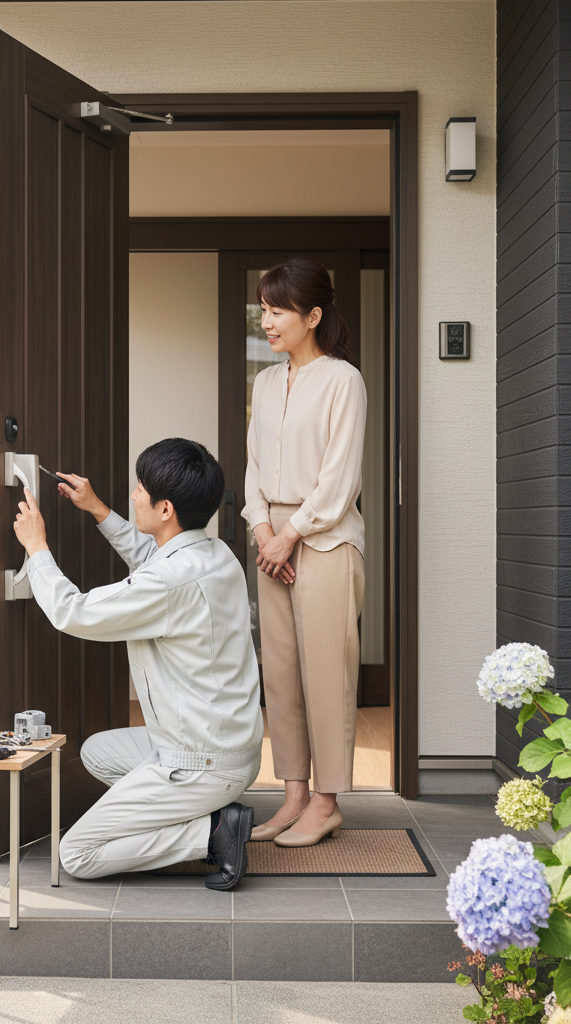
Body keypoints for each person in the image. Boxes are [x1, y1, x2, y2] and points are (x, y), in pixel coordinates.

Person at [12, 438, 263, 891]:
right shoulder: (216, 553)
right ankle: (203, 811)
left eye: (141, 488)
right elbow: (154, 559)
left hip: (201, 760)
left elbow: (75, 612)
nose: (133, 493)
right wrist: (97, 509)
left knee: (78, 854)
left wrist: (37, 549)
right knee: (96, 753)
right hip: (224, 746)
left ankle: (213, 834)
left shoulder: (171, 581)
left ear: (165, 509)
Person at [241, 256, 366, 848]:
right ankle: (292, 794)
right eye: (263, 310)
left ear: (312, 315)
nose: (265, 321)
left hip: (326, 537)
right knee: (282, 672)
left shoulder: (344, 380)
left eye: (277, 311)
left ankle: (326, 802)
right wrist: (264, 531)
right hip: (272, 541)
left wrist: (293, 534)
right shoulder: (265, 383)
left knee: (327, 672)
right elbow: (254, 468)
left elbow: (339, 478)